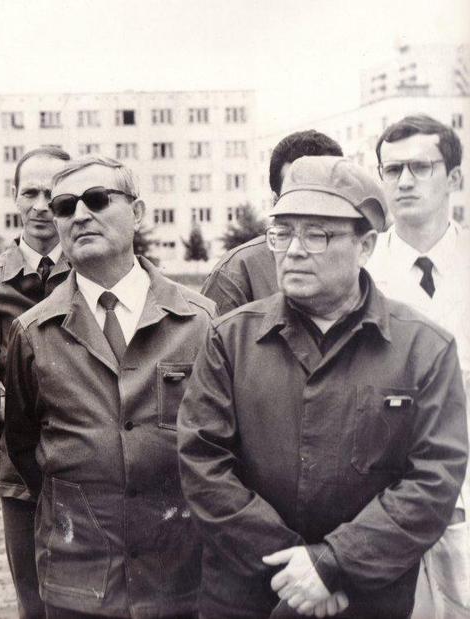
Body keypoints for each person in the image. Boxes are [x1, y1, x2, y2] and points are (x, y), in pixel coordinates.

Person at [178, 155, 467, 618]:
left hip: (365, 599)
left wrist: (335, 564)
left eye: (317, 234)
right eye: (283, 232)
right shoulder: (230, 338)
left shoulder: (423, 347)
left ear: (366, 245)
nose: (293, 250)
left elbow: (434, 479)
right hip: (246, 595)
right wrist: (301, 570)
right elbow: (203, 462)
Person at [3, 156, 216, 618]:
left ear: (138, 213)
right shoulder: (33, 333)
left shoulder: (200, 323)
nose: (80, 215)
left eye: (97, 200)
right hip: (80, 587)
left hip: (180, 582)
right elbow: (24, 449)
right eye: (64, 206)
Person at [367, 113, 470, 618]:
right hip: (380, 507)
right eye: (392, 169)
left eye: (421, 167)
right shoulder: (358, 277)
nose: (404, 181)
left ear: (454, 178)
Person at [0, 145, 71, 619]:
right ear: (14, 198)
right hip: (22, 481)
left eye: (53, 194)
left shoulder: (95, 276)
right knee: (34, 604)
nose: (40, 205)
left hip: (91, 472)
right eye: (29, 192)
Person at [201, 130, 343, 315]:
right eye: (299, 195)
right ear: (276, 201)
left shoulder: (364, 259)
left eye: (324, 192)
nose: (313, 206)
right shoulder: (236, 273)